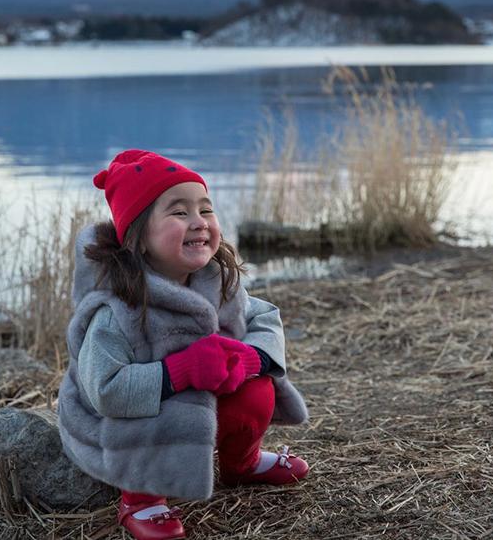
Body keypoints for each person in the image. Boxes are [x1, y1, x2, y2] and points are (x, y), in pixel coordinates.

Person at [57, 149, 310, 540]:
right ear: (140, 238)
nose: (199, 222)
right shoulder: (117, 309)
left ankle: (241, 463)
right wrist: (181, 371)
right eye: (179, 212)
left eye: (206, 209)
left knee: (258, 388)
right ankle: (140, 498)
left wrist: (249, 359)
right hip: (117, 425)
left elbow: (263, 318)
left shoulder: (217, 282)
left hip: (194, 411)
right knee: (157, 408)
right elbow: (105, 390)